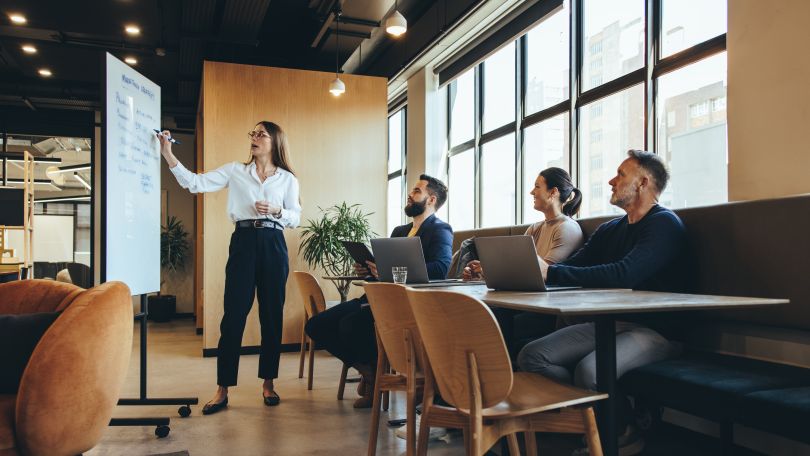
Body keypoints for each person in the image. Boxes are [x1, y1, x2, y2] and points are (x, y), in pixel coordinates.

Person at [517, 150, 687, 456]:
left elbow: (626, 274)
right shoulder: (612, 229)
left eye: (621, 174)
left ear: (643, 182)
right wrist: (537, 271)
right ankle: (596, 421)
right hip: (609, 323)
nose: (611, 180)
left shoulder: (665, 225)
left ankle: (621, 435)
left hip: (656, 329)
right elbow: (576, 267)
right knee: (533, 355)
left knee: (590, 371)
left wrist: (552, 271)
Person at [157, 121, 301, 415]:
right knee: (233, 316)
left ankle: (268, 384)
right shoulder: (236, 170)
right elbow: (195, 183)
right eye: (253, 133)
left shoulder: (287, 179)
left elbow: (296, 217)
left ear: (275, 141)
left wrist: (277, 210)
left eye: (261, 134)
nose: (254, 138)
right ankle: (222, 390)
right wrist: (167, 153)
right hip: (244, 242)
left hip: (274, 243)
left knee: (271, 315)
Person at [304, 174, 452, 408]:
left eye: (416, 191)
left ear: (431, 199)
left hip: (405, 305)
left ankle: (374, 375)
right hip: (376, 298)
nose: (410, 194)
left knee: (350, 325)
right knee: (315, 325)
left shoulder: (440, 230)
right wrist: (370, 270)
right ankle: (370, 372)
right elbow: (386, 272)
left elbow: (441, 268)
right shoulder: (400, 231)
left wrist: (391, 270)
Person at [462, 167, 585, 358]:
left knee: (488, 317)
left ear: (553, 192)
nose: (531, 192)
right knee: (473, 312)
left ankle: (495, 377)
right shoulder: (535, 228)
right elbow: (518, 270)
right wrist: (483, 273)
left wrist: (493, 269)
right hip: (523, 303)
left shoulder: (568, 229)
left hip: (545, 311)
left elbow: (543, 274)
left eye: (537, 186)